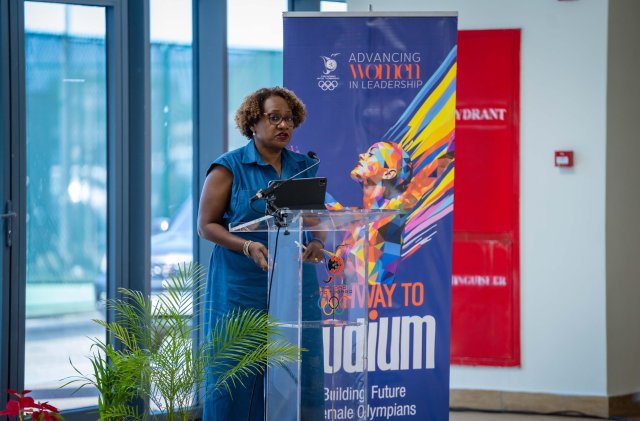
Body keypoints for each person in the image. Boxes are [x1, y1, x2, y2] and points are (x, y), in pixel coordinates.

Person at [197, 87, 324, 420]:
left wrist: (318, 242)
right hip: (241, 284)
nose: (284, 125)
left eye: (289, 119)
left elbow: (316, 217)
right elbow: (206, 226)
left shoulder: (303, 166)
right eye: (274, 118)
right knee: (237, 372)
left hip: (295, 282)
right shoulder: (229, 167)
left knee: (301, 366)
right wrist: (247, 245)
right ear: (253, 123)